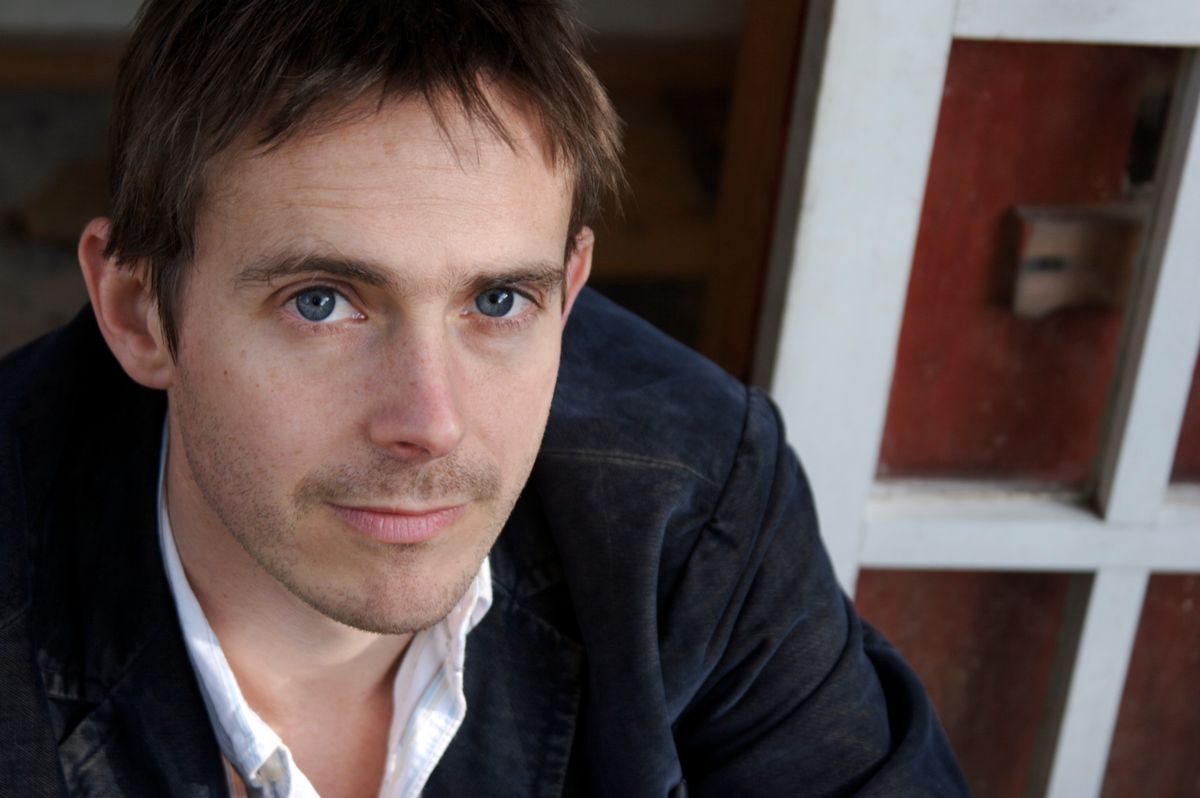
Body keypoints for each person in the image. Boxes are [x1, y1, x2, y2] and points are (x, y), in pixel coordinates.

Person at [0, 1, 969, 795]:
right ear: (138, 313)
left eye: (499, 301)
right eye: (321, 302)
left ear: (570, 292)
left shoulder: (692, 504)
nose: (431, 422)